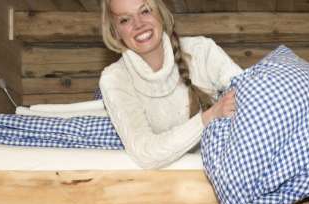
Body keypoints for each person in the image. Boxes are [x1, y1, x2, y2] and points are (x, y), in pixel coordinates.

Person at [99, 0, 241, 169]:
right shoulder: (114, 78)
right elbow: (144, 153)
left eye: (145, 11)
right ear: (115, 32)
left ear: (161, 13)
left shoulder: (202, 50)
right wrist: (208, 117)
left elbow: (249, 92)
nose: (139, 24)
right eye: (125, 20)